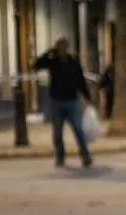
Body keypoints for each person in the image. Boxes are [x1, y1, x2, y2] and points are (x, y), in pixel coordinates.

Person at [34, 37, 93, 168]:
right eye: (59, 47)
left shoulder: (73, 63)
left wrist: (87, 98)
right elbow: (36, 65)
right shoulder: (52, 62)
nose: (61, 50)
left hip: (72, 101)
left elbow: (80, 81)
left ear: (67, 48)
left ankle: (85, 155)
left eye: (63, 47)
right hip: (57, 101)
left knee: (78, 129)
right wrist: (47, 54)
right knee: (57, 132)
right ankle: (60, 156)